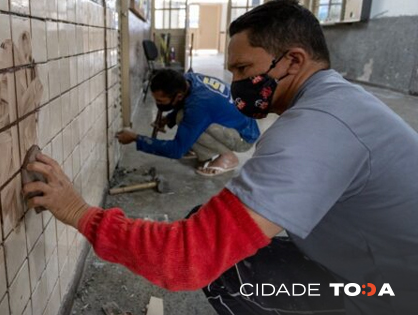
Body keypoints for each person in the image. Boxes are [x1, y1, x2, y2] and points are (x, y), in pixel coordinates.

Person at [22, 1, 418, 314]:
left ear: (294, 61)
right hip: (369, 265)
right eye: (233, 71)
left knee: (221, 267)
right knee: (210, 225)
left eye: (244, 68)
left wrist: (78, 212)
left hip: (386, 290)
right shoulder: (337, 101)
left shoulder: (320, 129)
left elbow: (187, 259)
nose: (238, 84)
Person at [116, 69, 260, 176]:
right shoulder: (189, 80)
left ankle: (228, 157)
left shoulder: (200, 105)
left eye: (160, 101)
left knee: (189, 120)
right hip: (236, 121)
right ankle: (197, 147)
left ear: (178, 96)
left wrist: (135, 138)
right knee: (181, 116)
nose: (157, 104)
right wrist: (168, 119)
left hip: (244, 137)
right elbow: (183, 104)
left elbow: (176, 150)